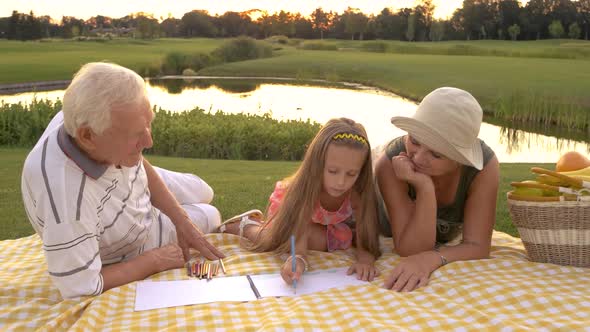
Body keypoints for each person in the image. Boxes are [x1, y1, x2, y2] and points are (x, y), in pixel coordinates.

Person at [20, 62, 225, 299]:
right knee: (211, 214)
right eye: (137, 134)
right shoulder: (67, 200)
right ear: (87, 136)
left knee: (204, 190)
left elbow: (138, 161)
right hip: (132, 238)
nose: (149, 142)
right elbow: (80, 286)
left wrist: (182, 219)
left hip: (132, 189)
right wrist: (153, 261)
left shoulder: (82, 115)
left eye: (148, 124)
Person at [219, 118, 382, 285]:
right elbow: (299, 240)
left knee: (331, 239)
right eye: (333, 171)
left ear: (361, 172)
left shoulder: (358, 194)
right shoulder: (306, 189)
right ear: (317, 164)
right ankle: (245, 224)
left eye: (351, 174)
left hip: (323, 224)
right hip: (293, 214)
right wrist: (298, 261)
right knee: (273, 240)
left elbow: (366, 239)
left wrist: (365, 261)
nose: (341, 182)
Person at [374, 87, 500, 292]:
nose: (417, 158)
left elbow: (478, 245)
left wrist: (433, 258)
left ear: (461, 160)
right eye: (414, 141)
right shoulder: (389, 163)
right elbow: (410, 249)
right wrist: (425, 187)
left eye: (436, 154)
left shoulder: (483, 168)